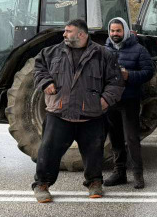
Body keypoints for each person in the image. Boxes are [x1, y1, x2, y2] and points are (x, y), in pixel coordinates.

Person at [31, 19, 124, 203]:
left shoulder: (103, 55)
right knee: (48, 152)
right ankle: (42, 184)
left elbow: (116, 82)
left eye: (68, 31)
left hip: (91, 115)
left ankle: (94, 183)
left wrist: (105, 101)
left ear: (81, 34)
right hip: (59, 113)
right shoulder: (51, 52)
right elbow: (38, 69)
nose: (64, 34)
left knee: (94, 153)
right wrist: (45, 83)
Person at [104, 17, 154, 189]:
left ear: (125, 31)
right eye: (112, 31)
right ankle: (119, 173)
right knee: (115, 138)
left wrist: (129, 76)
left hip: (129, 101)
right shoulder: (105, 50)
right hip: (111, 101)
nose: (115, 34)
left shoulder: (139, 49)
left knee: (132, 138)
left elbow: (148, 72)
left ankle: (138, 175)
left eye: (118, 31)